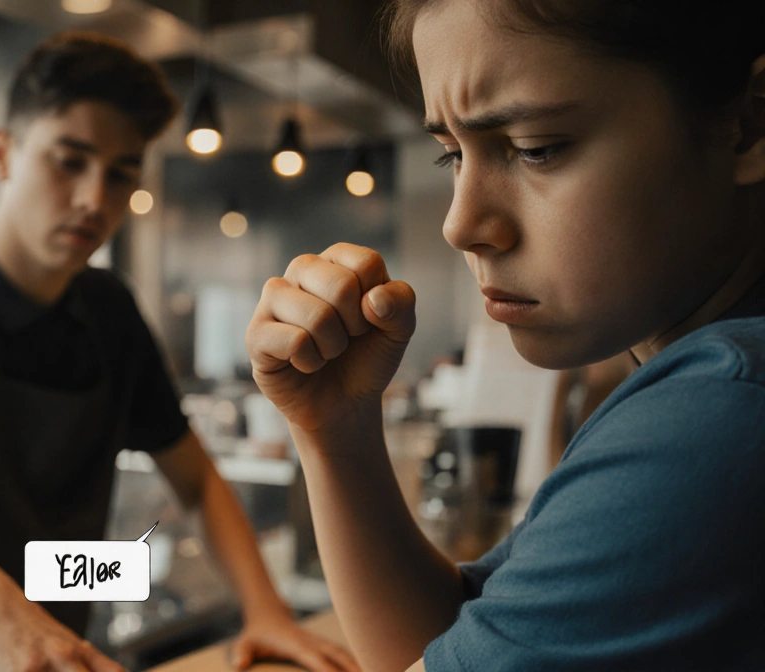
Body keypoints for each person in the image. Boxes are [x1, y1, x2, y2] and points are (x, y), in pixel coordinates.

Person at [0, 32, 357, 672]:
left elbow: (195, 481)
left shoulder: (110, 313)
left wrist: (265, 611)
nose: (92, 200)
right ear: (2, 153)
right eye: (68, 160)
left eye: (120, 174)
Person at [245, 1, 765, 670]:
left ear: (749, 124)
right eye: (450, 156)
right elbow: (441, 643)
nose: (459, 226)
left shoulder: (722, 411)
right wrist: (335, 429)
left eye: (535, 149)